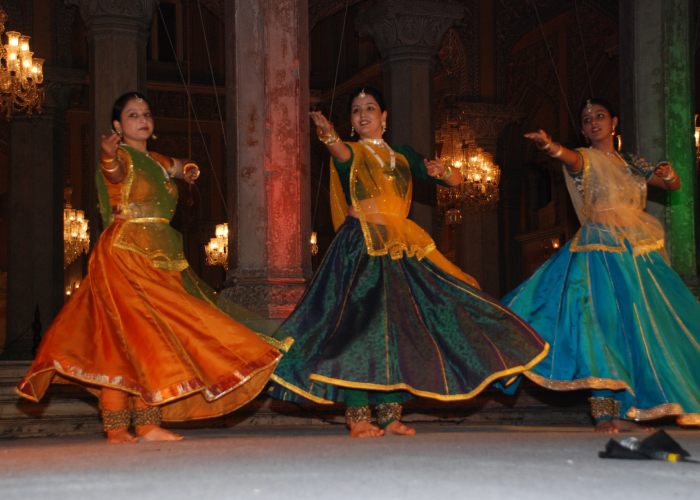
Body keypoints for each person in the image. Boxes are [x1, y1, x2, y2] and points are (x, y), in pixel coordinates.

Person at [269, 86, 548, 438]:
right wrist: (326, 132)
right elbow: (338, 151)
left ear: (384, 117)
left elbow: (455, 180)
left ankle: (390, 415)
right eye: (356, 110)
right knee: (360, 327)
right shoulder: (351, 152)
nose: (363, 115)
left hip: (402, 246)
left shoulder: (402, 156)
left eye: (370, 108)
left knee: (402, 326)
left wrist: (443, 170)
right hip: (363, 247)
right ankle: (358, 415)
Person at [16, 92, 283, 443]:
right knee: (125, 340)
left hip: (161, 255)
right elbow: (113, 173)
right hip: (125, 256)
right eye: (132, 115)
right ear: (117, 126)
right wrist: (108, 156)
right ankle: (118, 427)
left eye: (146, 114)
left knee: (148, 340)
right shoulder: (120, 157)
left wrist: (188, 169)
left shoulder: (156, 160)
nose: (142, 119)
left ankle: (144, 424)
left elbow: (182, 165)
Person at [505, 98, 700, 433]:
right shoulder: (586, 158)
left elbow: (671, 185)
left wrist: (668, 173)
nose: (593, 122)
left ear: (614, 122)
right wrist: (550, 146)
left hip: (636, 253)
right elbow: (569, 158)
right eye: (586, 119)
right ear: (583, 130)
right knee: (600, 326)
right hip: (599, 253)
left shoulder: (631, 163)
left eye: (599, 116)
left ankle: (633, 409)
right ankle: (603, 413)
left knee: (643, 329)